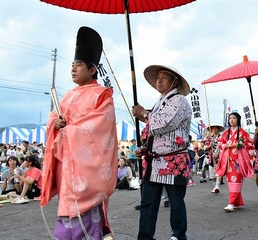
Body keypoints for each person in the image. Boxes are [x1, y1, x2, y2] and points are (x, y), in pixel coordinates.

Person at [40, 26, 118, 240]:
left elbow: (100, 128)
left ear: (92, 70)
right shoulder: (67, 96)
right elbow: (53, 119)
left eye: (79, 65)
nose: (73, 69)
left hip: (86, 169)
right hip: (68, 166)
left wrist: (70, 130)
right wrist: (55, 124)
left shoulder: (102, 95)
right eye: (72, 65)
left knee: (86, 219)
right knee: (68, 211)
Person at [132, 64, 192, 240]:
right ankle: (145, 237)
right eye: (157, 77)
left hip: (175, 160)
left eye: (164, 77)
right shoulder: (159, 103)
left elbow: (166, 123)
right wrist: (145, 148)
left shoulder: (180, 100)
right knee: (147, 203)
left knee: (176, 203)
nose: (159, 79)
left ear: (174, 81)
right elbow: (152, 130)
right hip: (154, 161)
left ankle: (179, 236)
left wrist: (144, 114)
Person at [215, 112, 254, 212]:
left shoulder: (243, 133)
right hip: (228, 161)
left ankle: (231, 203)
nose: (231, 120)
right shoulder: (225, 133)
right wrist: (226, 145)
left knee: (235, 180)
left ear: (238, 120)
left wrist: (241, 145)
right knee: (231, 181)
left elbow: (250, 145)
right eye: (230, 118)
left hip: (238, 161)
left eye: (234, 118)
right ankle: (237, 202)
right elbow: (220, 143)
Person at [206, 124, 225, 193]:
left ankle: (217, 186)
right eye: (213, 129)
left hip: (220, 157)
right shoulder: (209, 138)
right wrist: (209, 146)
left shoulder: (222, 137)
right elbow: (205, 148)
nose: (215, 130)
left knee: (218, 173)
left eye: (216, 128)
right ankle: (215, 186)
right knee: (212, 175)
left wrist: (218, 154)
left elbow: (223, 147)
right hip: (211, 157)